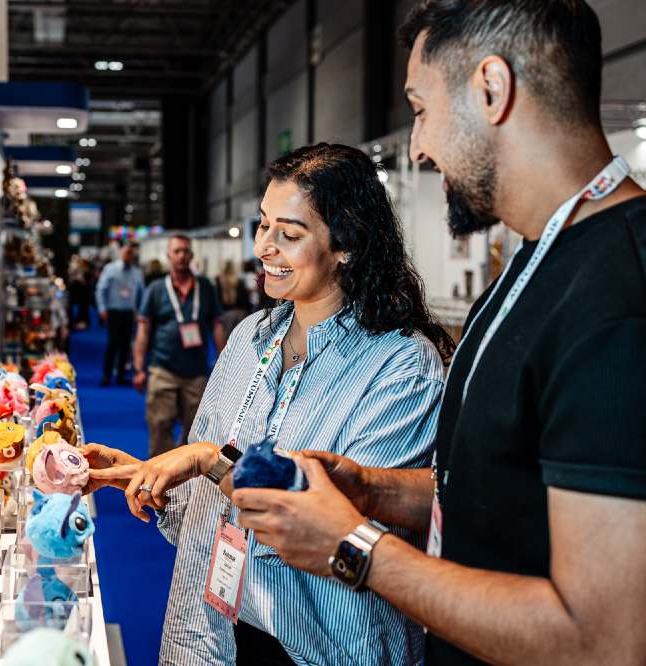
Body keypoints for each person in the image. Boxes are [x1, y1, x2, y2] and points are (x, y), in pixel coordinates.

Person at [227, 2, 646, 665]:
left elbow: (604, 640)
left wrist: (355, 547)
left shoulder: (618, 301)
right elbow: (504, 492)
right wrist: (373, 489)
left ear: (491, 89)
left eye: (421, 109)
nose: (417, 146)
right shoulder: (537, 267)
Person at [86, 143, 456, 665]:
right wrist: (147, 476)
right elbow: (204, 510)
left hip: (321, 645)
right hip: (216, 635)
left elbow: (329, 530)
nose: (264, 247)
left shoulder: (399, 367)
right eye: (263, 225)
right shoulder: (249, 339)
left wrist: (210, 461)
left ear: (345, 244)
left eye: (290, 233)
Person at [133, 235, 224, 458]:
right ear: (169, 256)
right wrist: (138, 368)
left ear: (191, 255)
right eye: (177, 251)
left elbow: (217, 326)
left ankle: (187, 486)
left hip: (197, 373)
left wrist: (225, 364)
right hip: (162, 370)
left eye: (185, 251)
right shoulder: (155, 289)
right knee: (159, 427)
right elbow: (143, 330)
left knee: (196, 434)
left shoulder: (206, 287)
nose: (181, 256)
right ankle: (158, 485)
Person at [95, 242, 144, 386]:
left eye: (131, 253)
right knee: (112, 343)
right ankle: (106, 375)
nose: (129, 255)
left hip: (129, 312)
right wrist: (102, 308)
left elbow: (142, 293)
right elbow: (100, 289)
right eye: (127, 252)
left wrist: (140, 311)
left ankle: (121, 375)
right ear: (121, 252)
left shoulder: (137, 272)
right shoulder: (110, 269)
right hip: (113, 311)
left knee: (125, 344)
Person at [214, 260, 253, 348]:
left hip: (225, 316)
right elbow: (245, 300)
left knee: (227, 345)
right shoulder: (238, 281)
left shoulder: (219, 281)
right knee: (241, 344)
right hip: (240, 315)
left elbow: (217, 300)